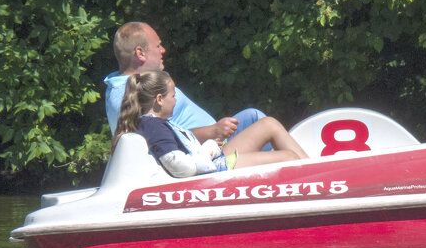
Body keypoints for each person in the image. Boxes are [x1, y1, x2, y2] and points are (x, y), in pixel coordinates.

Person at [112, 70, 307, 177]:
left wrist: (211, 147)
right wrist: (209, 149)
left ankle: (323, 171)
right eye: (173, 95)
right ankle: (318, 179)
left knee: (269, 124)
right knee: (288, 157)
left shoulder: (155, 123)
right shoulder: (154, 127)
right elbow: (182, 168)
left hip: (211, 161)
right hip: (213, 168)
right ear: (160, 99)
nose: (176, 100)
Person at [106, 21, 268, 145]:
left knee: (254, 117)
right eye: (158, 46)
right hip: (207, 153)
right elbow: (160, 139)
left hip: (215, 140)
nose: (163, 50)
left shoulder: (134, 83)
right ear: (140, 53)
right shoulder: (129, 93)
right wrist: (213, 131)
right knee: (268, 127)